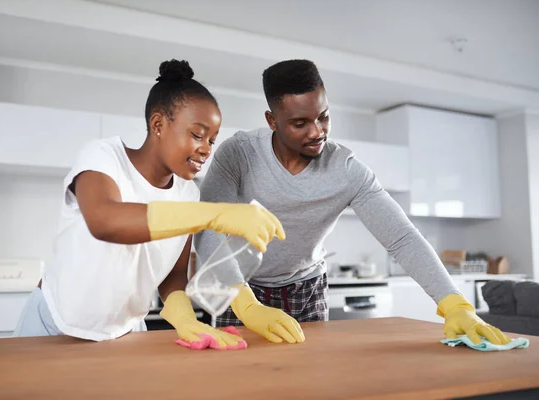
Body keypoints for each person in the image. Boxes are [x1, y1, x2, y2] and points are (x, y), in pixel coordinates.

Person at [195, 59, 511, 346]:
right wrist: (246, 305)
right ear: (272, 120)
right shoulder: (239, 154)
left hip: (305, 287)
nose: (317, 132)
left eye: (324, 116)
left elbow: (402, 237)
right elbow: (209, 228)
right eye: (300, 123)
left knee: (310, 380)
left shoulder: (345, 169)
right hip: (239, 284)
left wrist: (456, 304)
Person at [13, 59, 285, 350]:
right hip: (54, 325)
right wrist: (216, 214)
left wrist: (186, 318)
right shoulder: (103, 158)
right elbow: (105, 221)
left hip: (127, 332)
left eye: (212, 140)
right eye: (197, 134)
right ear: (158, 124)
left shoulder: (188, 193)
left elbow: (172, 274)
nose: (206, 148)